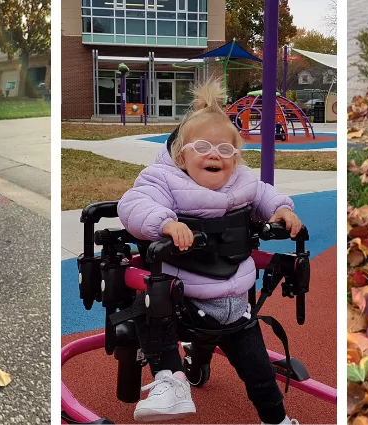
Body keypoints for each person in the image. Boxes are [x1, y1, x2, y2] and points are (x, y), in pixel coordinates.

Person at [117, 79, 301, 425]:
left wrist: (282, 209)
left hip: (236, 304)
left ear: (235, 158)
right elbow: (133, 204)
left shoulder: (243, 182)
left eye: (225, 150)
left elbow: (265, 194)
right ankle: (171, 380)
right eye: (202, 147)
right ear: (181, 155)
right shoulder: (164, 180)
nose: (214, 154)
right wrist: (165, 223)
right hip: (181, 300)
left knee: (260, 373)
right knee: (144, 306)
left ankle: (276, 419)